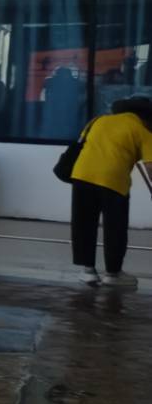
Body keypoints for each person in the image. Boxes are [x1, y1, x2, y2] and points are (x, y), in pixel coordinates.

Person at [68, 96, 152, 287]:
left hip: (82, 175)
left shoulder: (98, 121)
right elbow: (150, 167)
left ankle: (88, 271)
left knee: (83, 223)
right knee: (115, 228)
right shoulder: (142, 130)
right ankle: (113, 274)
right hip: (113, 181)